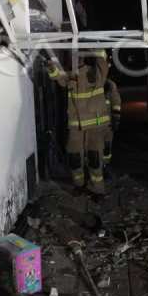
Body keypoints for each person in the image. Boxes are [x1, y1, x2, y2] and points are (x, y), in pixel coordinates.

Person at [45, 49, 109, 203]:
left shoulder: (97, 73)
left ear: (85, 57)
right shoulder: (70, 75)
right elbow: (57, 77)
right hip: (75, 126)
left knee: (95, 159)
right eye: (75, 56)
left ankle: (98, 190)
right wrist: (50, 67)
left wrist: (92, 44)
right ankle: (79, 185)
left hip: (94, 125)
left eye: (80, 55)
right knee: (74, 158)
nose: (77, 58)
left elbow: (102, 58)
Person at [102, 79, 122, 177]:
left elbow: (116, 102)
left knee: (106, 146)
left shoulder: (110, 85)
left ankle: (104, 166)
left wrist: (116, 118)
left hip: (106, 123)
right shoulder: (88, 82)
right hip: (91, 122)